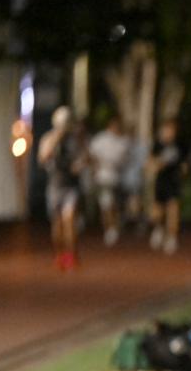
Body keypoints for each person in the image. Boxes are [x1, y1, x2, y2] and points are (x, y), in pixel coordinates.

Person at [38, 106, 86, 271]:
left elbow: (85, 158)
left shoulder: (75, 140)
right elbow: (43, 158)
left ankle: (72, 254)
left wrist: (79, 165)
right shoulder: (48, 138)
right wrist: (56, 138)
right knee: (57, 224)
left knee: (70, 220)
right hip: (55, 185)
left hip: (71, 186)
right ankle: (59, 254)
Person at [88, 116, 131, 246]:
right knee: (106, 204)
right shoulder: (100, 139)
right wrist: (95, 169)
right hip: (103, 178)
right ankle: (109, 229)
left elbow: (125, 160)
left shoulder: (123, 141)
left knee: (116, 205)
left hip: (118, 179)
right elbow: (91, 154)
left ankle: (115, 227)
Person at [149, 119, 186, 255]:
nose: (168, 133)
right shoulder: (158, 145)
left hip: (174, 181)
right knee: (157, 212)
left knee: (173, 209)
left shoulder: (180, 145)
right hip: (161, 181)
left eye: (171, 130)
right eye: (166, 130)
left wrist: (183, 172)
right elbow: (150, 162)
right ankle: (158, 228)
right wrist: (156, 165)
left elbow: (184, 164)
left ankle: (171, 237)